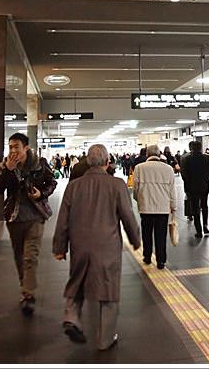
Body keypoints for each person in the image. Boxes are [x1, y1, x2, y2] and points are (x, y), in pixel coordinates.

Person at [53, 144, 142, 350]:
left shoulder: (73, 186)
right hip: (107, 245)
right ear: (107, 162)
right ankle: (105, 339)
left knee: (77, 281)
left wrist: (60, 246)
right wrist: (135, 239)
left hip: (80, 244)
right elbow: (127, 216)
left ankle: (71, 317)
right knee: (107, 289)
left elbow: (63, 219)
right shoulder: (116, 184)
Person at [0, 132, 57, 316]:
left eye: (16, 147)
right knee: (19, 255)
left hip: (35, 215)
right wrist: (7, 171)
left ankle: (29, 294)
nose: (13, 150)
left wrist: (41, 193)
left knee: (31, 255)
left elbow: (52, 182)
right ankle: (24, 286)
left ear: (25, 148)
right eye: (10, 146)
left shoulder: (39, 163)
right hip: (14, 217)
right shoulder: (5, 165)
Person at [133, 144, 177, 269]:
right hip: (162, 208)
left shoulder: (139, 168)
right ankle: (161, 260)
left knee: (146, 233)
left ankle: (147, 256)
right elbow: (172, 191)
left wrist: (139, 200)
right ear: (159, 154)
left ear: (147, 154)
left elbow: (135, 190)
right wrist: (173, 206)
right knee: (161, 235)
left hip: (145, 207)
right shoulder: (168, 169)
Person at [180, 140, 209, 238]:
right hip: (204, 186)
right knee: (204, 206)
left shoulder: (187, 159)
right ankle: (205, 226)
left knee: (195, 209)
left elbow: (184, 174)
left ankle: (199, 230)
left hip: (192, 187)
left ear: (191, 148)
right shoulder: (206, 157)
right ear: (200, 148)